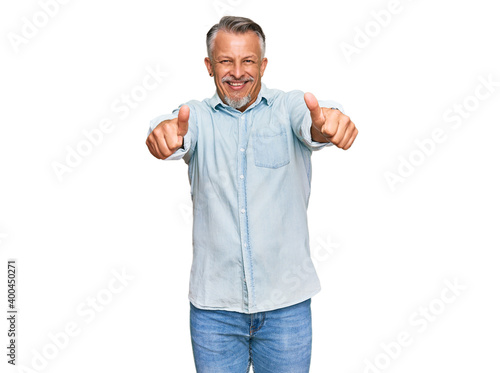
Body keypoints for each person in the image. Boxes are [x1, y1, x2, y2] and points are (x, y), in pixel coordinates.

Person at [146, 15, 358, 373]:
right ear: (209, 66)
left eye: (248, 61)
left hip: (285, 309)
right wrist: (163, 133)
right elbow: (173, 129)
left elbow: (314, 122)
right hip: (215, 312)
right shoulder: (197, 116)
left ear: (263, 65)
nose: (237, 72)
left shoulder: (288, 107)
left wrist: (328, 124)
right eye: (226, 61)